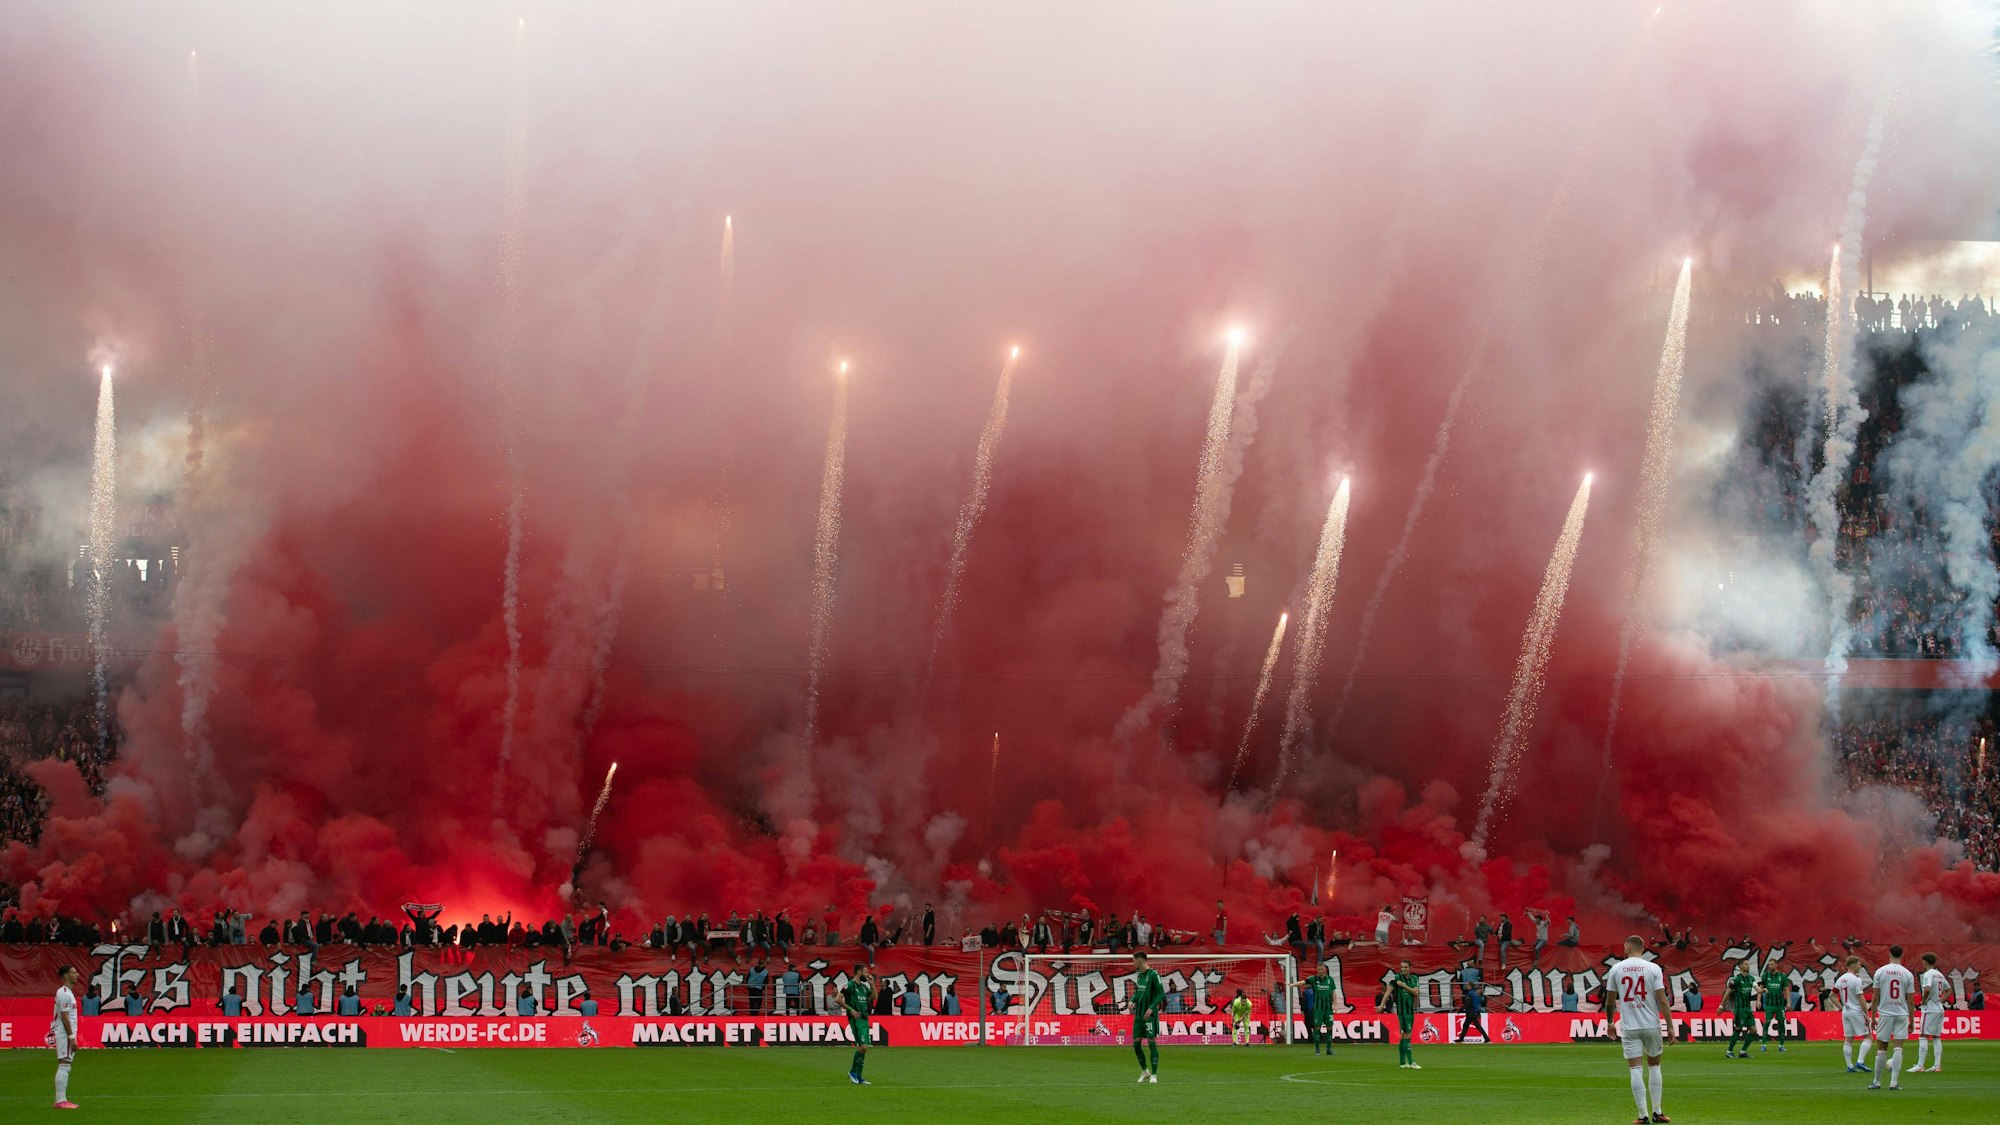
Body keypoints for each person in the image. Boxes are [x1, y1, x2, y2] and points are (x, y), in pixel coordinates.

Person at [1605, 935, 1670, 1125]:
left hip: (1630, 1026)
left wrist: (1610, 1022)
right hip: (1651, 1025)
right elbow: (1662, 1000)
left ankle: (1643, 1115)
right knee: (1655, 1066)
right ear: (1642, 948)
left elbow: (1610, 1001)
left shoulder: (1616, 968)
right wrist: (1671, 1026)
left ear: (1627, 947)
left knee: (1635, 1069)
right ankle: (1657, 1112)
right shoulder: (1653, 968)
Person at [1867, 944, 1916, 1091]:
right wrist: (1912, 1019)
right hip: (1901, 1014)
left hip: (1885, 1013)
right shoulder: (1907, 974)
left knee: (1881, 1049)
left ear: (1889, 954)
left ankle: (1876, 1081)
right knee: (1898, 1048)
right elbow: (1911, 1000)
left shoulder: (1880, 972)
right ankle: (1894, 1083)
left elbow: (1875, 997)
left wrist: (1873, 1016)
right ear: (1902, 955)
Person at [1129, 950, 1164, 1082]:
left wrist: (1151, 1007)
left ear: (1140, 960)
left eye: (1134, 960)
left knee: (1151, 1042)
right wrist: (1132, 1000)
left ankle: (1154, 1074)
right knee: (1136, 1045)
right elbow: (1138, 992)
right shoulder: (1139, 976)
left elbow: (1161, 994)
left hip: (1150, 1015)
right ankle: (1145, 1071)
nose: (1133, 963)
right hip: (1139, 1015)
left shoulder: (1154, 974)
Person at [51, 964, 80, 1110]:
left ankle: (61, 1100)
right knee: (64, 1065)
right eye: (74, 972)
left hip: (65, 1034)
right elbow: (65, 1017)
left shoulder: (68, 992)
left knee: (66, 1065)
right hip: (64, 1034)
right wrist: (71, 1036)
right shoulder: (63, 993)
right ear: (66, 976)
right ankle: (60, 1101)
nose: (77, 974)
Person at [1914, 952, 1948, 1073]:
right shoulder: (1939, 974)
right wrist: (1941, 1000)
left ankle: (1920, 1066)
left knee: (1923, 1035)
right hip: (1939, 1009)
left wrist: (1924, 1001)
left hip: (1930, 1009)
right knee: (1936, 1037)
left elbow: (1927, 988)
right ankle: (1937, 1066)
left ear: (1925, 962)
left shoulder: (1928, 974)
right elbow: (1949, 990)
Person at [843, 963, 873, 1085]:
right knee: (863, 1046)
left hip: (865, 1018)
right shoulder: (849, 985)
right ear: (859, 972)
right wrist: (851, 1010)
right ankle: (853, 1072)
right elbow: (838, 999)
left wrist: (871, 984)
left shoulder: (864, 988)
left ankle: (859, 1076)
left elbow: (874, 997)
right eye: (866, 972)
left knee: (864, 1048)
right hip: (856, 1018)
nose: (868, 974)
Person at [1389, 958, 1420, 1069]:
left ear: (1410, 968)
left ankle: (1403, 1062)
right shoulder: (1397, 977)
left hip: (1410, 1010)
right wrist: (1382, 1005)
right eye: (1402, 967)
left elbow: (1416, 992)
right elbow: (1389, 989)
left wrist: (1404, 986)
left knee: (1404, 1036)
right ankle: (1411, 1061)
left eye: (1405, 967)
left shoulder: (1414, 978)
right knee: (1407, 1035)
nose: (1403, 969)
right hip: (1402, 1011)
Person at [1758, 952, 1791, 1052]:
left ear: (1776, 965)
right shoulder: (1765, 975)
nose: (1769, 966)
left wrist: (1788, 1002)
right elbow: (1761, 987)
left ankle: (1781, 1045)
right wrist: (1759, 999)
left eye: (1771, 964)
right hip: (1769, 1004)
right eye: (1768, 964)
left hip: (1780, 1004)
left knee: (1781, 1023)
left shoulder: (1782, 976)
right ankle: (1763, 1044)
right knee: (1767, 1022)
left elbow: (1786, 989)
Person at [1455, 960, 1490, 1042]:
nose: (1466, 986)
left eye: (1467, 985)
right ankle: (1461, 1039)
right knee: (1466, 1025)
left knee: (1475, 1026)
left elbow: (1468, 1003)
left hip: (1471, 1012)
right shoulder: (1475, 993)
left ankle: (1487, 1038)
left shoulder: (1469, 993)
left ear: (1470, 986)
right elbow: (1478, 1002)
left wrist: (1461, 1009)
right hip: (1473, 1011)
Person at [1308, 961, 1338, 1055]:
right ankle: (1317, 1049)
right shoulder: (1314, 979)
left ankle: (1329, 1050)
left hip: (1328, 1008)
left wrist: (1335, 1005)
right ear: (1317, 969)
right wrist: (1292, 985)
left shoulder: (1330, 979)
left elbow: (1334, 992)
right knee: (1317, 1027)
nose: (1320, 971)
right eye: (1319, 969)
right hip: (1318, 1009)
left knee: (1329, 1027)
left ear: (1324, 969)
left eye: (1322, 969)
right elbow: (1303, 982)